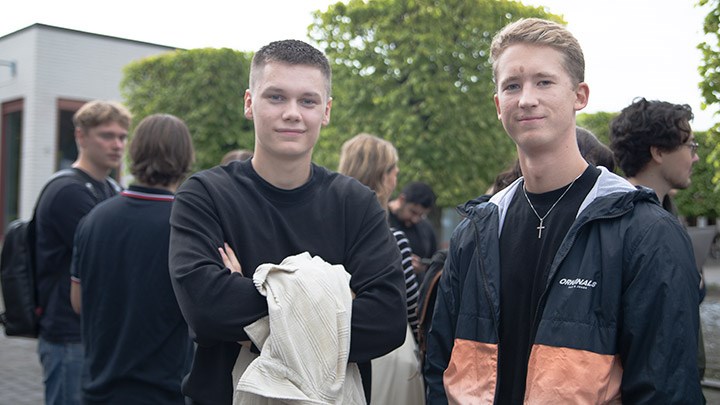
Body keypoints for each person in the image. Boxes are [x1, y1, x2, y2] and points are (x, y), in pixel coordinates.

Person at [425, 17, 703, 404]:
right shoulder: (475, 231)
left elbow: (667, 389)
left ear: (580, 95)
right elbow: (439, 367)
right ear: (497, 104)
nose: (526, 99)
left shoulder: (645, 232)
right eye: (512, 86)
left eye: (544, 81)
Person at [168, 39, 407, 405]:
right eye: (276, 97)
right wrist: (338, 299)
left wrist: (247, 295)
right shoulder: (204, 196)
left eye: (308, 101)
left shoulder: (356, 203)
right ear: (250, 103)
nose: (292, 112)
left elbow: (387, 323)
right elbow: (206, 310)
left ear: (325, 111)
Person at [69, 114, 195, 404]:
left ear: (134, 152)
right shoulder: (187, 225)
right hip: (162, 390)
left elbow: (77, 301)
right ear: (185, 156)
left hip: (99, 387)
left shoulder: (94, 218)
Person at [34, 100, 129, 405]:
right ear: (81, 136)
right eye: (106, 135)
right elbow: (113, 258)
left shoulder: (111, 188)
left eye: (122, 137)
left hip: (94, 333)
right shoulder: (68, 191)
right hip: (69, 335)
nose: (117, 145)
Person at [609, 97, 706, 379]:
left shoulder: (652, 214)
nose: (696, 156)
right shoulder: (644, 226)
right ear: (659, 152)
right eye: (690, 146)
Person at [338, 133, 424, 405]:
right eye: (392, 169)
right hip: (389, 354)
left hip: (335, 348)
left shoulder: (325, 231)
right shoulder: (392, 239)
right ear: (382, 176)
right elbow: (410, 307)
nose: (396, 176)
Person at [388, 181, 438, 278]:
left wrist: (422, 268)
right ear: (402, 199)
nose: (416, 220)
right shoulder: (382, 219)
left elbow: (433, 263)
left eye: (421, 215)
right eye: (413, 212)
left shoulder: (426, 228)